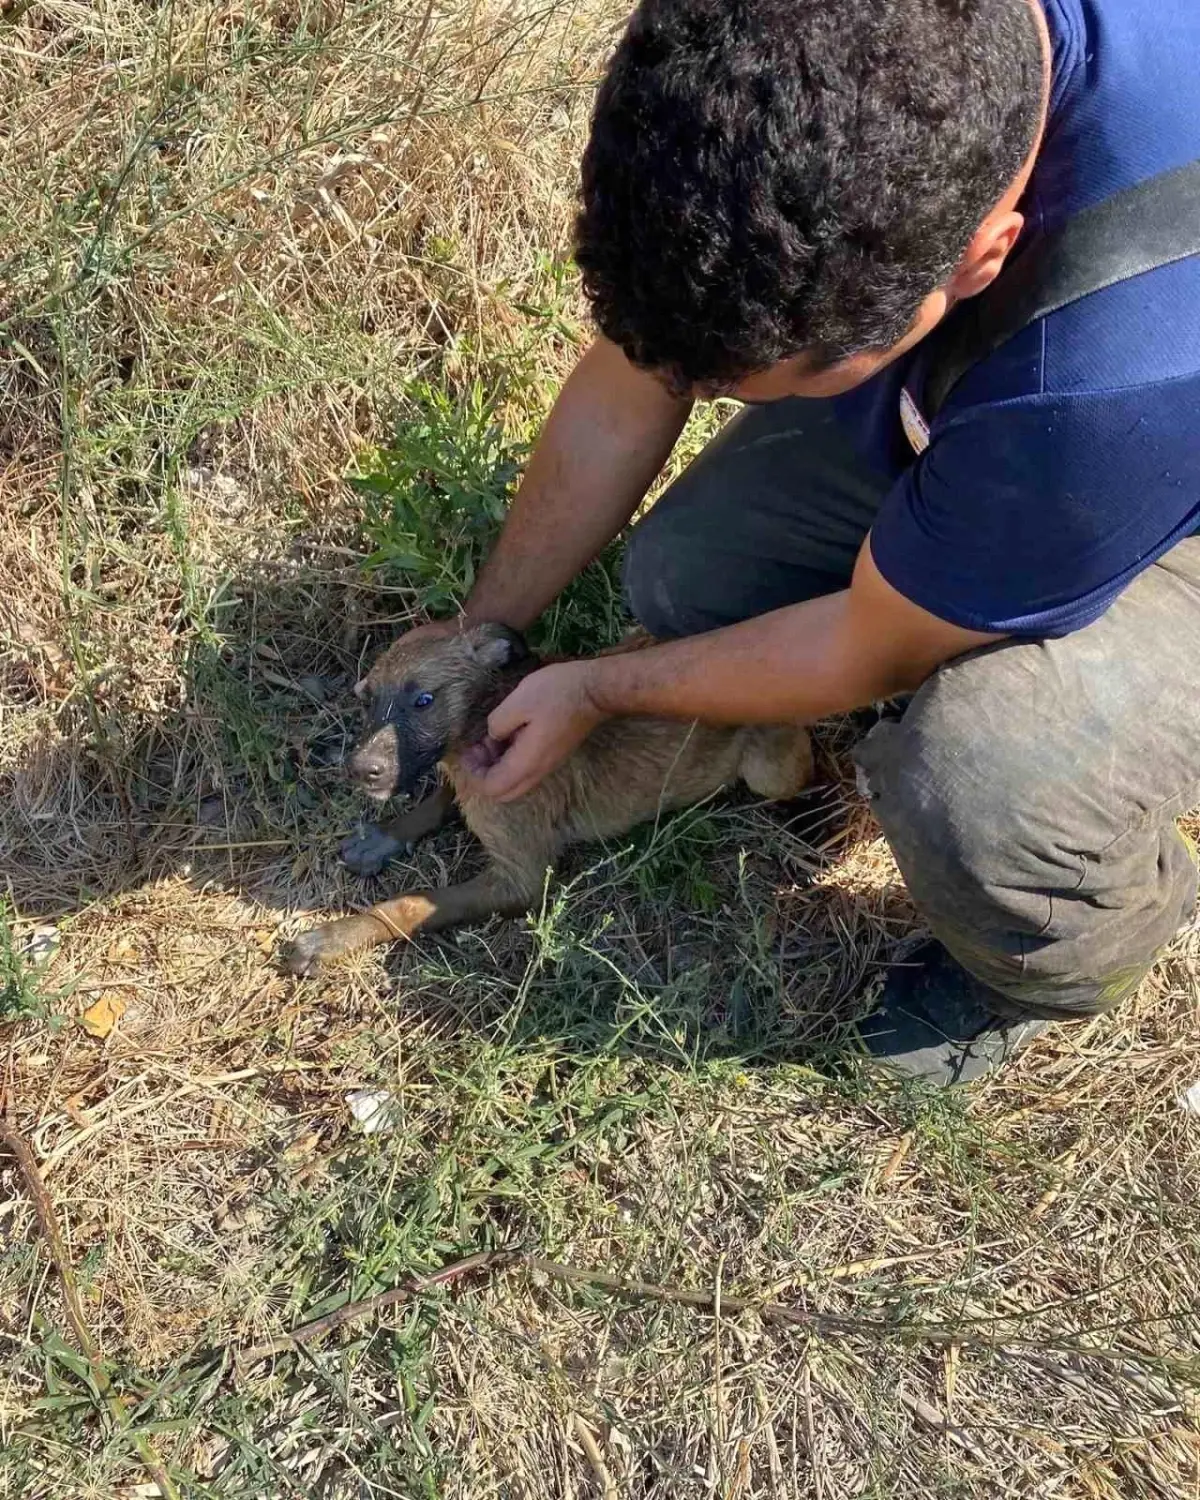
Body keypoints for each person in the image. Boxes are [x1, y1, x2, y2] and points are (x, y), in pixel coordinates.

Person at [408, 0, 1200, 1083]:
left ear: (979, 260)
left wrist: (600, 691)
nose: (699, 400)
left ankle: (1047, 963)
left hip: (1157, 451)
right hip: (1035, 378)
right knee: (692, 577)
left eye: (732, 390)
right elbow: (632, 381)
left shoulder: (1109, 378)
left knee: (981, 782)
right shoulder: (808, 47)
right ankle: (941, 492)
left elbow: (869, 648)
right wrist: (481, 636)